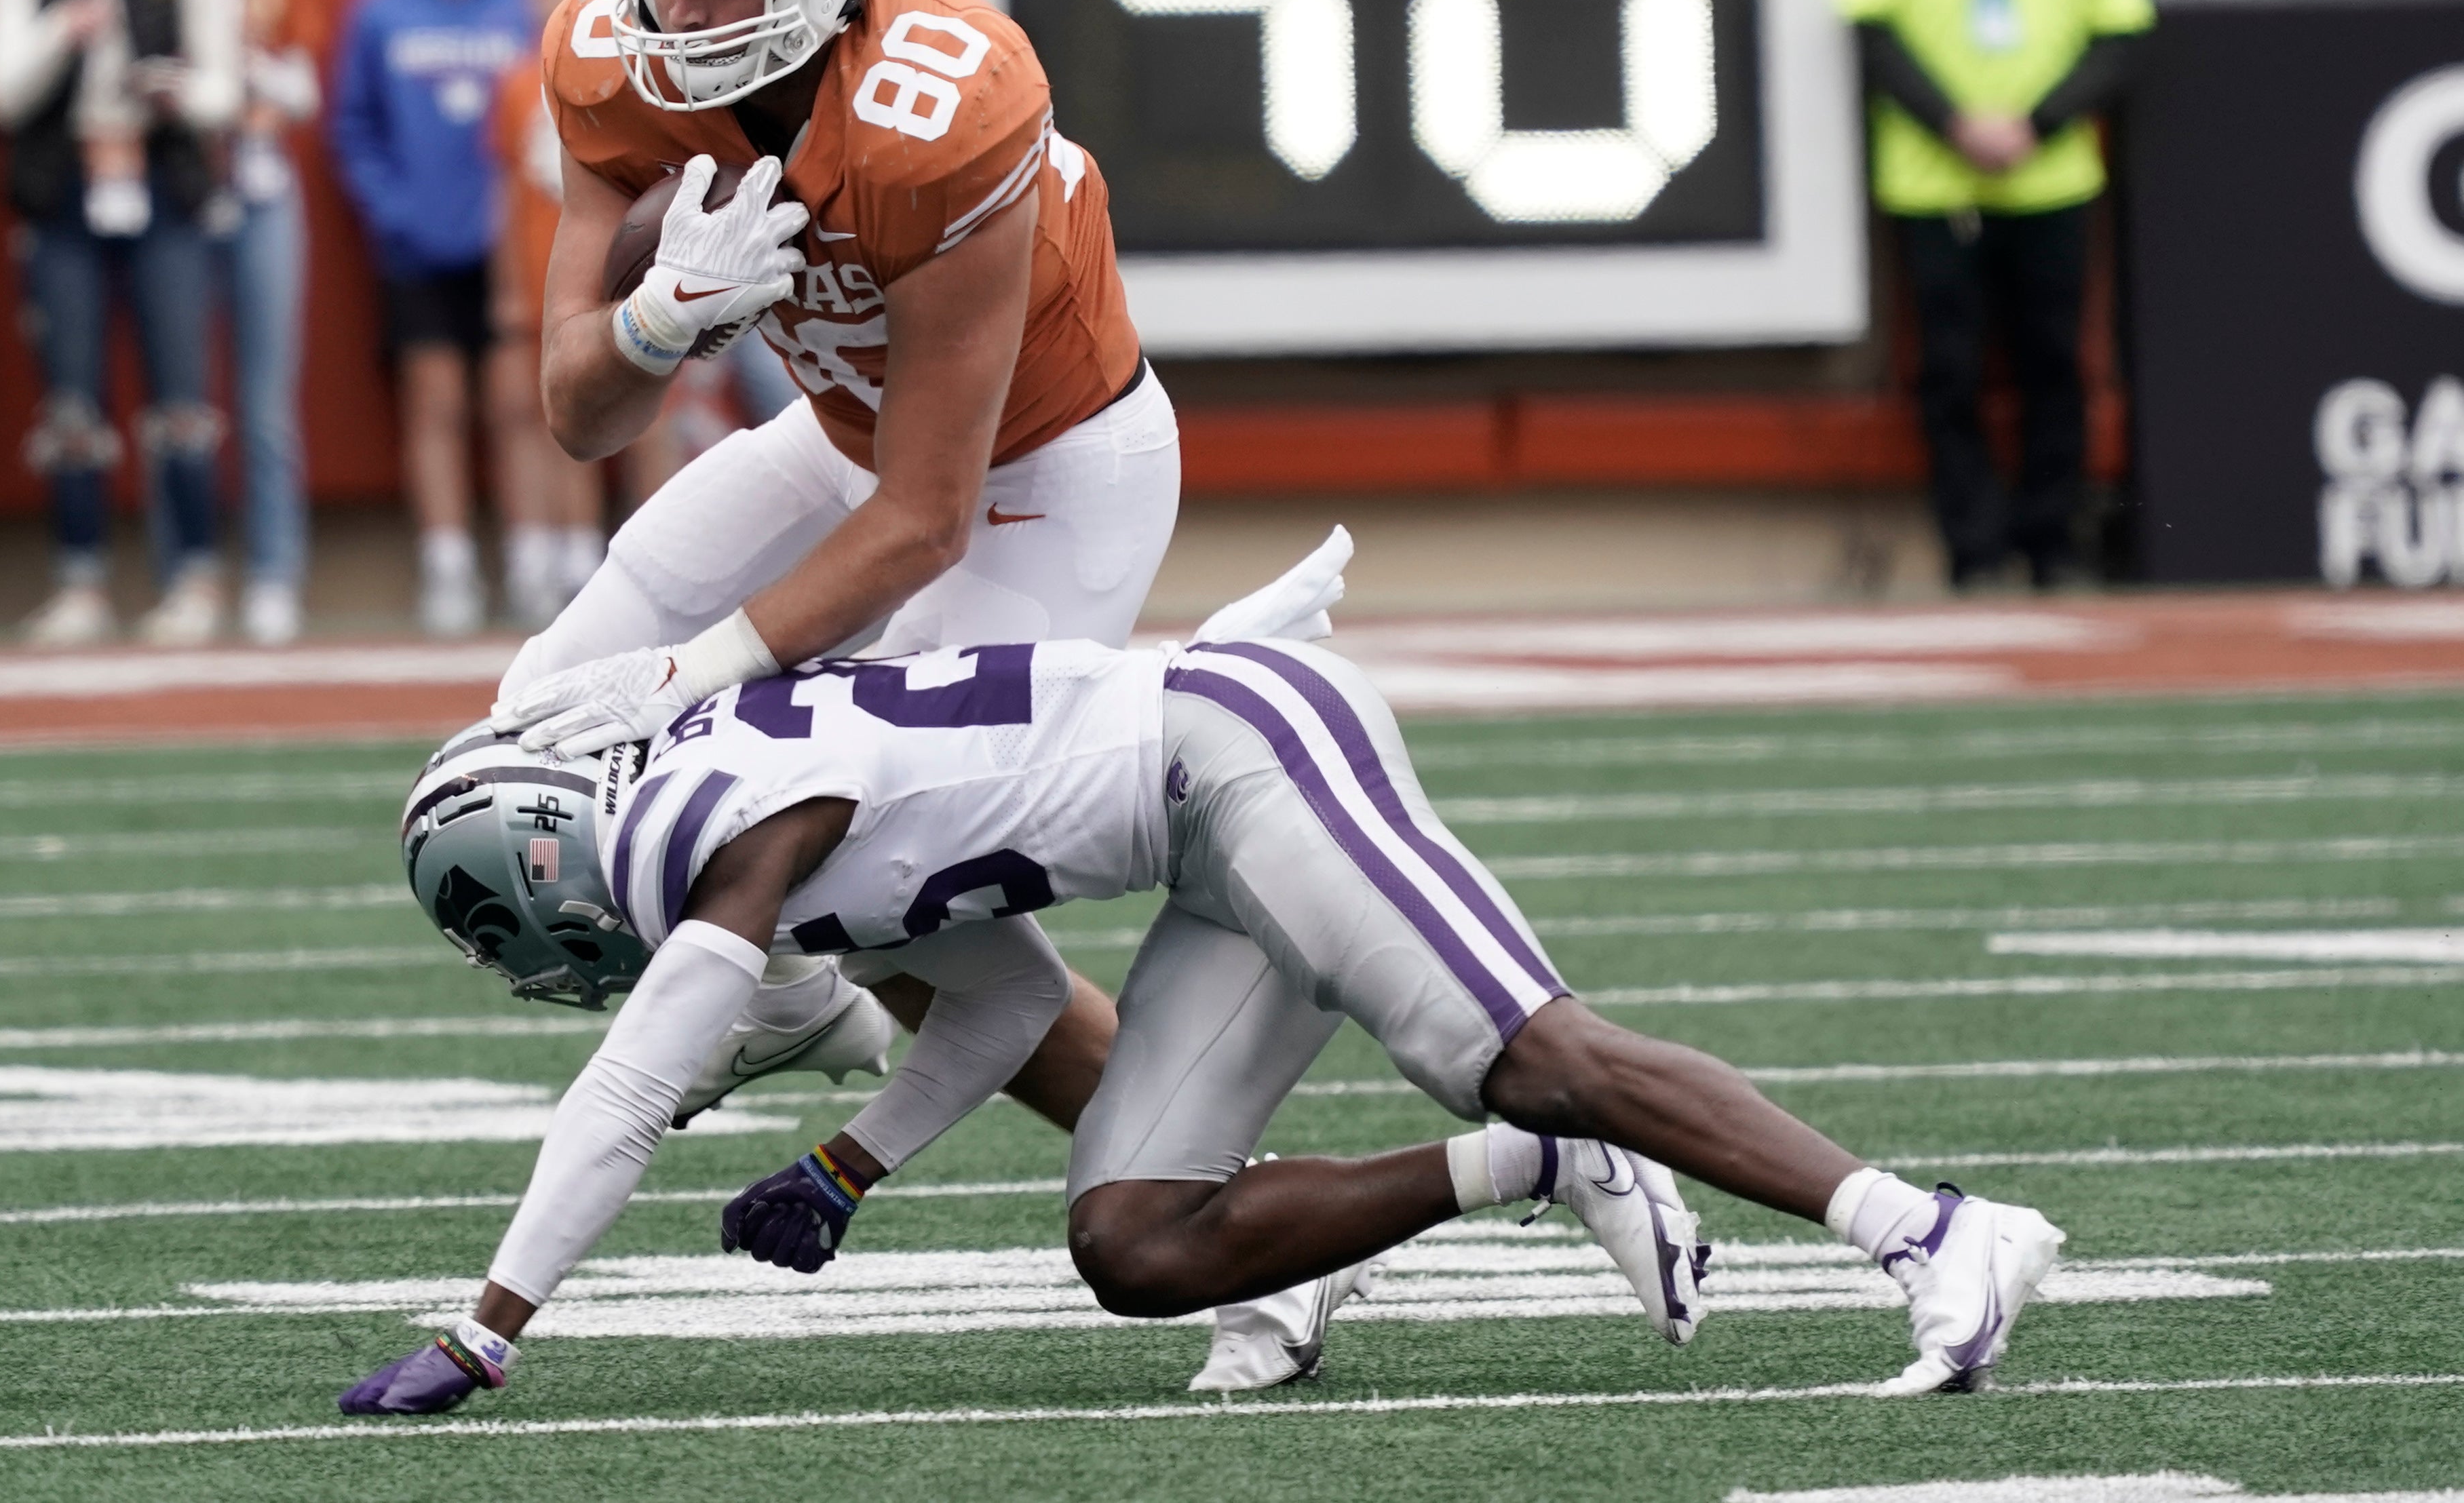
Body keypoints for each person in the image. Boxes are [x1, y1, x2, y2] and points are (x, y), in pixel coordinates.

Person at [343, 541, 2066, 1415]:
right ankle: (1538, 1170)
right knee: (1137, 1242)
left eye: (501, 917)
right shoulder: (751, 832)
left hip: (1243, 749)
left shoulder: (716, 830)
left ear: (545, 844)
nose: (530, 952)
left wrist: (485, 1334)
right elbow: (1011, 1005)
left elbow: (631, 1094)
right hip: (1199, 847)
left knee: (1526, 1044)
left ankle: (1928, 1230)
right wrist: (849, 1163)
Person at [480, 0, 1217, 1367]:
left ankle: (1231, 1215)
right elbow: (577, 413)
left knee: (869, 860)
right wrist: (665, 319)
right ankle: (805, 998)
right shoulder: (611, 54)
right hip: (841, 429)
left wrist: (691, 680)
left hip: (1044, 473)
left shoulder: (947, 103)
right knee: (531, 734)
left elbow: (926, 516)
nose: (669, 7)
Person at [1834, 0, 2153, 591]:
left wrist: (2034, 122)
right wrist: (1956, 123)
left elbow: (2119, 32)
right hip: (1934, 177)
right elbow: (1871, 26)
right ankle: (1972, 548)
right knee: (1947, 370)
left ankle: (2051, 541)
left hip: (2048, 174)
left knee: (2055, 362)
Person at [0, 0, 244, 646]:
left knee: (179, 388)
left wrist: (170, 93)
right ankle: (83, 579)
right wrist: (64, 32)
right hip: (64, 194)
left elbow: (223, 87)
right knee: (72, 398)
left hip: (161, 189)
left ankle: (196, 578)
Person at [330, 0, 534, 637]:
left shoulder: (520, 5)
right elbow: (353, 129)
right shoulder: (380, 13)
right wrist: (397, 212)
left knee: (519, 405)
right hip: (415, 248)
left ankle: (531, 556)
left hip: (510, 246)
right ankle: (447, 563)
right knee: (436, 402)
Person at [153, 0, 323, 647]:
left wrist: (251, 72)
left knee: (265, 398)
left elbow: (305, 88)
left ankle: (274, 571)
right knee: (178, 394)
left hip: (259, 187)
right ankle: (187, 572)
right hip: (175, 190)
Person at [491, 0, 613, 626]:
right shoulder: (514, 85)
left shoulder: (625, 77)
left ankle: (592, 553)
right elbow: (503, 188)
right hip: (536, 273)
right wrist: (507, 283)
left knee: (615, 415)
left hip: (606, 282)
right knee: (528, 413)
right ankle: (534, 554)